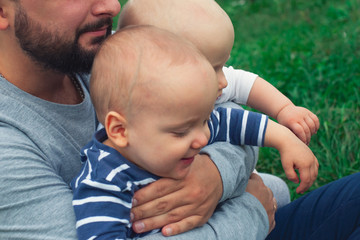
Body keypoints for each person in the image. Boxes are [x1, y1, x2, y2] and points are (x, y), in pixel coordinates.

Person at [0, 1, 284, 239]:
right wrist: (253, 208)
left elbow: (222, 119)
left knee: (289, 192)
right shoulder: (7, 145)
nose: (112, 5)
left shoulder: (104, 58)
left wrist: (215, 174)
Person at [71, 25, 318, 239]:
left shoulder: (171, 123)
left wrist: (284, 138)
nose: (203, 138)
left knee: (277, 190)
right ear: (120, 130)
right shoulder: (104, 185)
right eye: (180, 133)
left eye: (203, 121)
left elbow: (228, 120)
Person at [117, 0, 320, 148]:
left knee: (279, 189)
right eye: (213, 68)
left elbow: (243, 83)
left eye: (222, 66)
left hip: (231, 182)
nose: (223, 81)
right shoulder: (128, 115)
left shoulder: (206, 85)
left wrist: (284, 109)